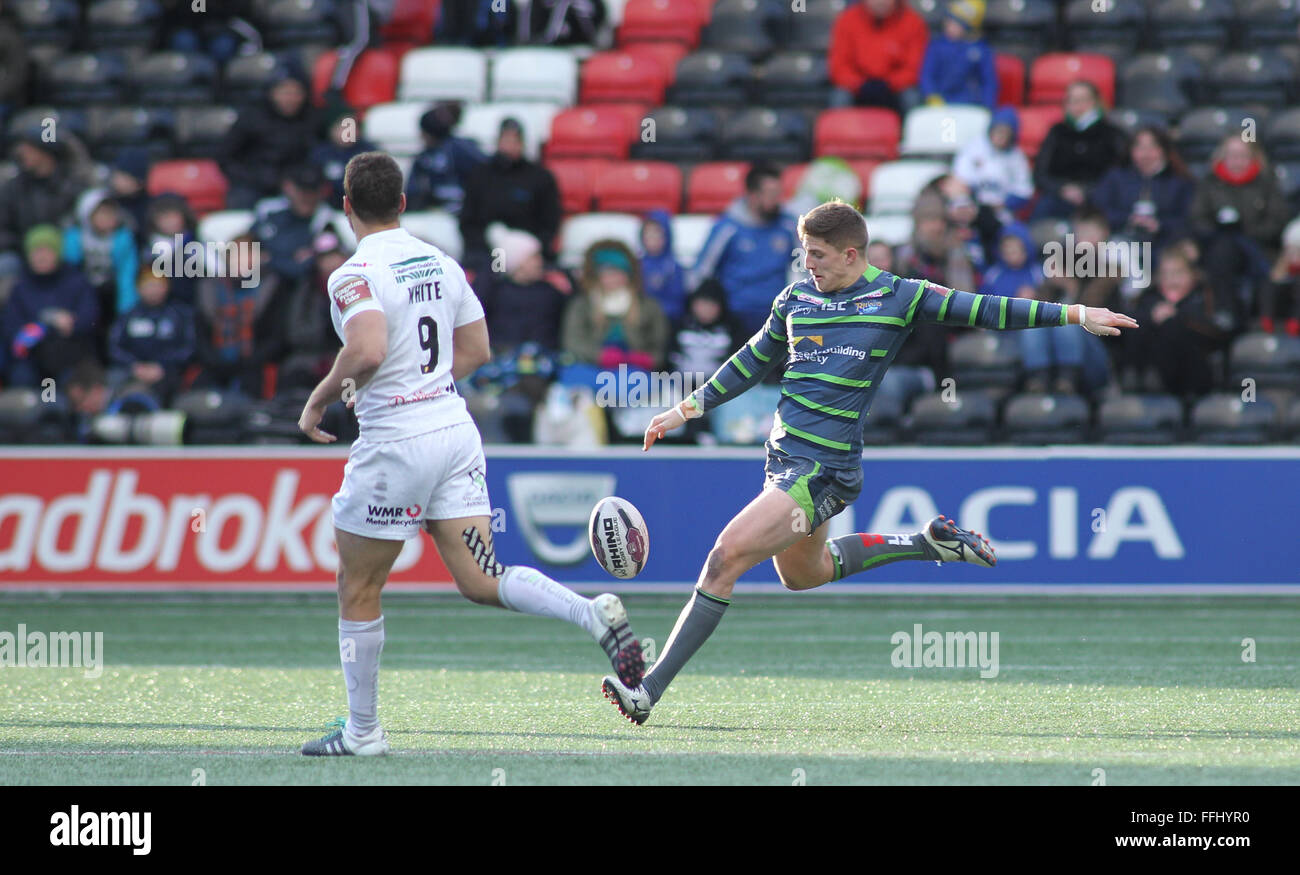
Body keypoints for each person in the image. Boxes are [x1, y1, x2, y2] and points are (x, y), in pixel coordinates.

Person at [599, 199, 1138, 725]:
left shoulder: (899, 296)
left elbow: (986, 309)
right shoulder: (794, 300)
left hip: (821, 471)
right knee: (803, 575)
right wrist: (686, 408)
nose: (807, 264)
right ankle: (927, 544)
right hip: (783, 462)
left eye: (818, 255)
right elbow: (751, 360)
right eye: (804, 253)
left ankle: (648, 689)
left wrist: (1076, 312)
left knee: (725, 558)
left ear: (852, 254)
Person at [294, 151, 646, 756]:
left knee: (357, 587)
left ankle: (363, 733)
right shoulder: (439, 260)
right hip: (454, 431)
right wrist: (429, 386)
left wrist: (319, 399)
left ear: (347, 207)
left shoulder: (352, 274)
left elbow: (369, 348)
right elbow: (478, 350)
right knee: (482, 578)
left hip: (396, 444)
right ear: (403, 204)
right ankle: (591, 614)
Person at [688, 163, 800, 335]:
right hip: (734, 316)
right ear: (752, 195)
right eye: (771, 194)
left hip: (777, 316)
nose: (778, 200)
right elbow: (702, 271)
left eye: (779, 194)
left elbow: (805, 266)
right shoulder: (728, 228)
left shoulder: (788, 226)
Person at [1190, 136, 1289, 319]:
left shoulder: (1266, 182)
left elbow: (1278, 220)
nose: (1236, 161)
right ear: (1222, 157)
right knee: (1223, 249)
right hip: (1218, 247)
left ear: (1254, 158)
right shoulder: (1210, 182)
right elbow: (1197, 219)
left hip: (1259, 247)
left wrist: (1246, 230)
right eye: (1232, 155)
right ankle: (1226, 312)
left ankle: (1256, 316)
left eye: (1242, 155)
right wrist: (1219, 230)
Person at [1126, 245, 1237, 398]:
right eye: (1165, 274)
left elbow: (1223, 328)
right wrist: (1151, 319)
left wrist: (1179, 317)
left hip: (1198, 371)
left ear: (1193, 274)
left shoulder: (1208, 295)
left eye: (1178, 273)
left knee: (1172, 328)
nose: (1171, 279)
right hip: (1151, 367)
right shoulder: (1149, 298)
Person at [3, 225, 101, 389]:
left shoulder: (76, 281)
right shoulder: (20, 287)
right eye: (36, 252)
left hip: (69, 353)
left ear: (57, 253)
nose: (41, 257)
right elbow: (11, 326)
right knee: (22, 376)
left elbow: (89, 317)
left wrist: (71, 324)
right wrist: (41, 328)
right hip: (32, 357)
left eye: (47, 251)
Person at [459, 118, 561, 268]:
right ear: (498, 142)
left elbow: (550, 224)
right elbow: (467, 222)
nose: (510, 146)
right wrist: (493, 243)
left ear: (522, 143)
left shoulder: (541, 177)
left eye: (515, 140)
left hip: (528, 251)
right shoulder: (480, 175)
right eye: (506, 140)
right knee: (489, 271)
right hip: (488, 250)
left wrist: (526, 246)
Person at [220, 65, 320, 209]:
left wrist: (297, 180)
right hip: (252, 184)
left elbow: (316, 155)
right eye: (285, 93)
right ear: (272, 93)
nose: (291, 99)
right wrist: (253, 178)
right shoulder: (251, 117)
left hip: (296, 185)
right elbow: (225, 157)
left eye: (296, 93)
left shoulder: (311, 118)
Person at [562, 239, 669, 373]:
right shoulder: (581, 305)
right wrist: (599, 356)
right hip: (590, 367)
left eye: (618, 273)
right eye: (607, 274)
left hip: (635, 370)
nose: (613, 279)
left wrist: (646, 359)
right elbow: (573, 341)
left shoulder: (649, 306)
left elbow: (659, 346)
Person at [1031, 81, 1129, 219]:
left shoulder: (1111, 134)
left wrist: (1088, 191)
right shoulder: (1057, 132)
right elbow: (1040, 173)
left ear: (1095, 102)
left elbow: (1121, 173)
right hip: (1059, 197)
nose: (1077, 106)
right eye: (1071, 100)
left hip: (1099, 197)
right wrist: (1062, 188)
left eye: (1082, 100)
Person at [1091, 125, 1194, 255]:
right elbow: (1099, 209)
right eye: (1140, 147)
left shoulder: (1180, 181)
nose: (1146, 153)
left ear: (1164, 150)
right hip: (1121, 238)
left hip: (1165, 242)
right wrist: (1129, 219)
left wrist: (1159, 225)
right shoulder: (1116, 177)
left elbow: (1188, 218)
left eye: (1152, 147)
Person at [107, 268, 196, 407]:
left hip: (169, 373)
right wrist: (134, 366)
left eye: (157, 284)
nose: (153, 290)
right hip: (134, 371)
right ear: (138, 288)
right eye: (148, 285)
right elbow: (114, 347)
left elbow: (189, 348)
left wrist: (163, 367)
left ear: (166, 286)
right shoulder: (128, 316)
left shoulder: (180, 315)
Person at [253, 164, 351, 285]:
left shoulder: (330, 220)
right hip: (260, 284)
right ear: (288, 187)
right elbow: (243, 249)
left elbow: (299, 269)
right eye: (302, 190)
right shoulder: (268, 210)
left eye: (313, 190)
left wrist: (268, 258)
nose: (307, 197)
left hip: (305, 291)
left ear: (322, 191)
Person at [828, 0, 928, 114]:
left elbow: (914, 67)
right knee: (840, 98)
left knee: (911, 98)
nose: (880, 2)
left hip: (895, 88)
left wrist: (890, 84)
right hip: (858, 87)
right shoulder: (847, 20)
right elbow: (839, 67)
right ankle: (842, 132)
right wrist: (860, 84)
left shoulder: (913, 22)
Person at [953, 105, 1033, 225]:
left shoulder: (1016, 157)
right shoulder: (975, 146)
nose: (1001, 135)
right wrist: (973, 199)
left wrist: (1005, 204)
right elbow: (960, 177)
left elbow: (1024, 191)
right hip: (972, 207)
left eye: (1006, 132)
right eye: (998, 130)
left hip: (1003, 211)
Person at [403, 101, 487, 214]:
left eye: (424, 133)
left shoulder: (463, 149)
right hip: (434, 213)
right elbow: (412, 192)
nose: (422, 137)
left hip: (466, 212)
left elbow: (487, 174)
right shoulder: (423, 158)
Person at [919, 0, 996, 109]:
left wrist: (987, 106)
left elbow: (989, 82)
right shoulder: (937, 46)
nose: (949, 26)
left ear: (968, 28)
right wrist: (932, 96)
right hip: (941, 103)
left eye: (956, 23)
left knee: (1007, 114)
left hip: (971, 104)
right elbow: (927, 76)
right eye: (949, 20)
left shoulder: (981, 49)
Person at [638, 210, 687, 322]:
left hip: (669, 320)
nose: (652, 238)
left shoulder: (675, 268)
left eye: (657, 233)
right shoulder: (637, 265)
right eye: (648, 233)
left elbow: (678, 301)